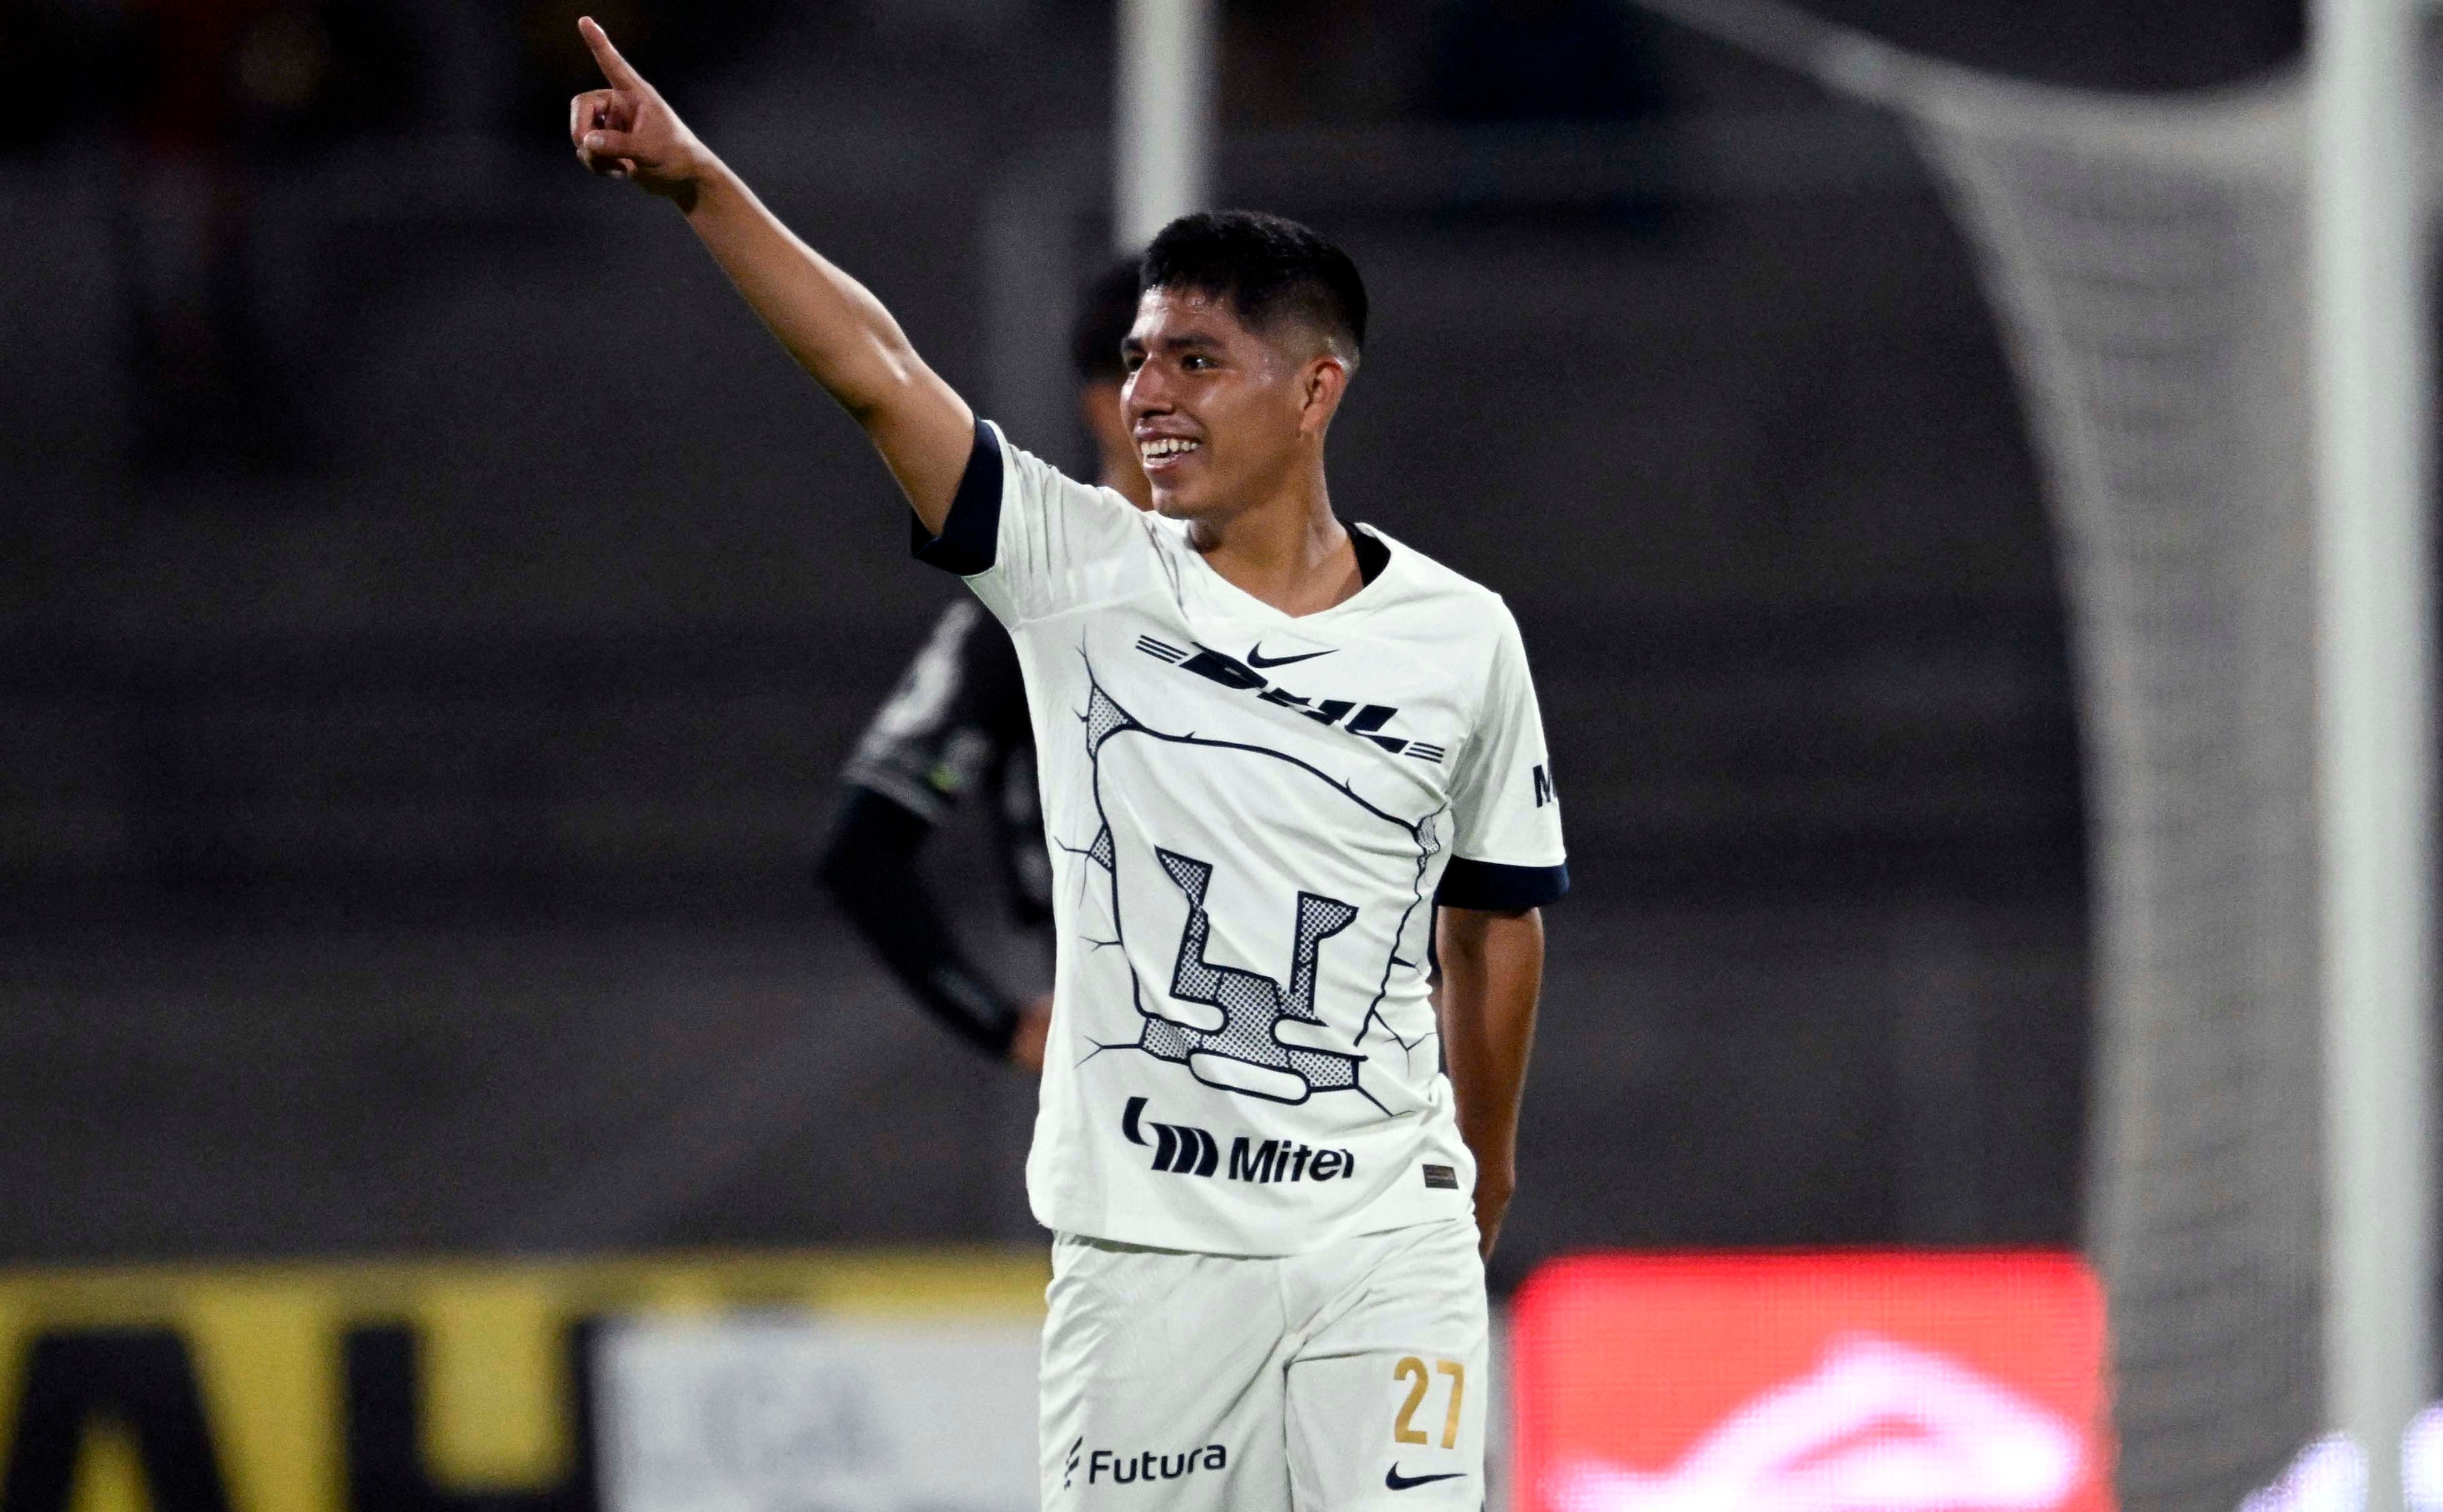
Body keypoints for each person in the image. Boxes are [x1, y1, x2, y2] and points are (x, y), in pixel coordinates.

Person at [569, 23, 1566, 1507]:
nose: (1146, 392)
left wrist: (1479, 1174)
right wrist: (705, 185)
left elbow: (1497, 928)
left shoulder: (1462, 636)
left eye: (1197, 361)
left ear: (1315, 391)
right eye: (1138, 357)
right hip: (1149, 1258)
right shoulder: (1076, 573)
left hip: (1384, 1250)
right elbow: (876, 370)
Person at [814, 263, 1151, 1074]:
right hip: (1127, 1084)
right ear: (1106, 403)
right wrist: (1000, 1025)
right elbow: (862, 850)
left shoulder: (1294, 599)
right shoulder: (1031, 605)